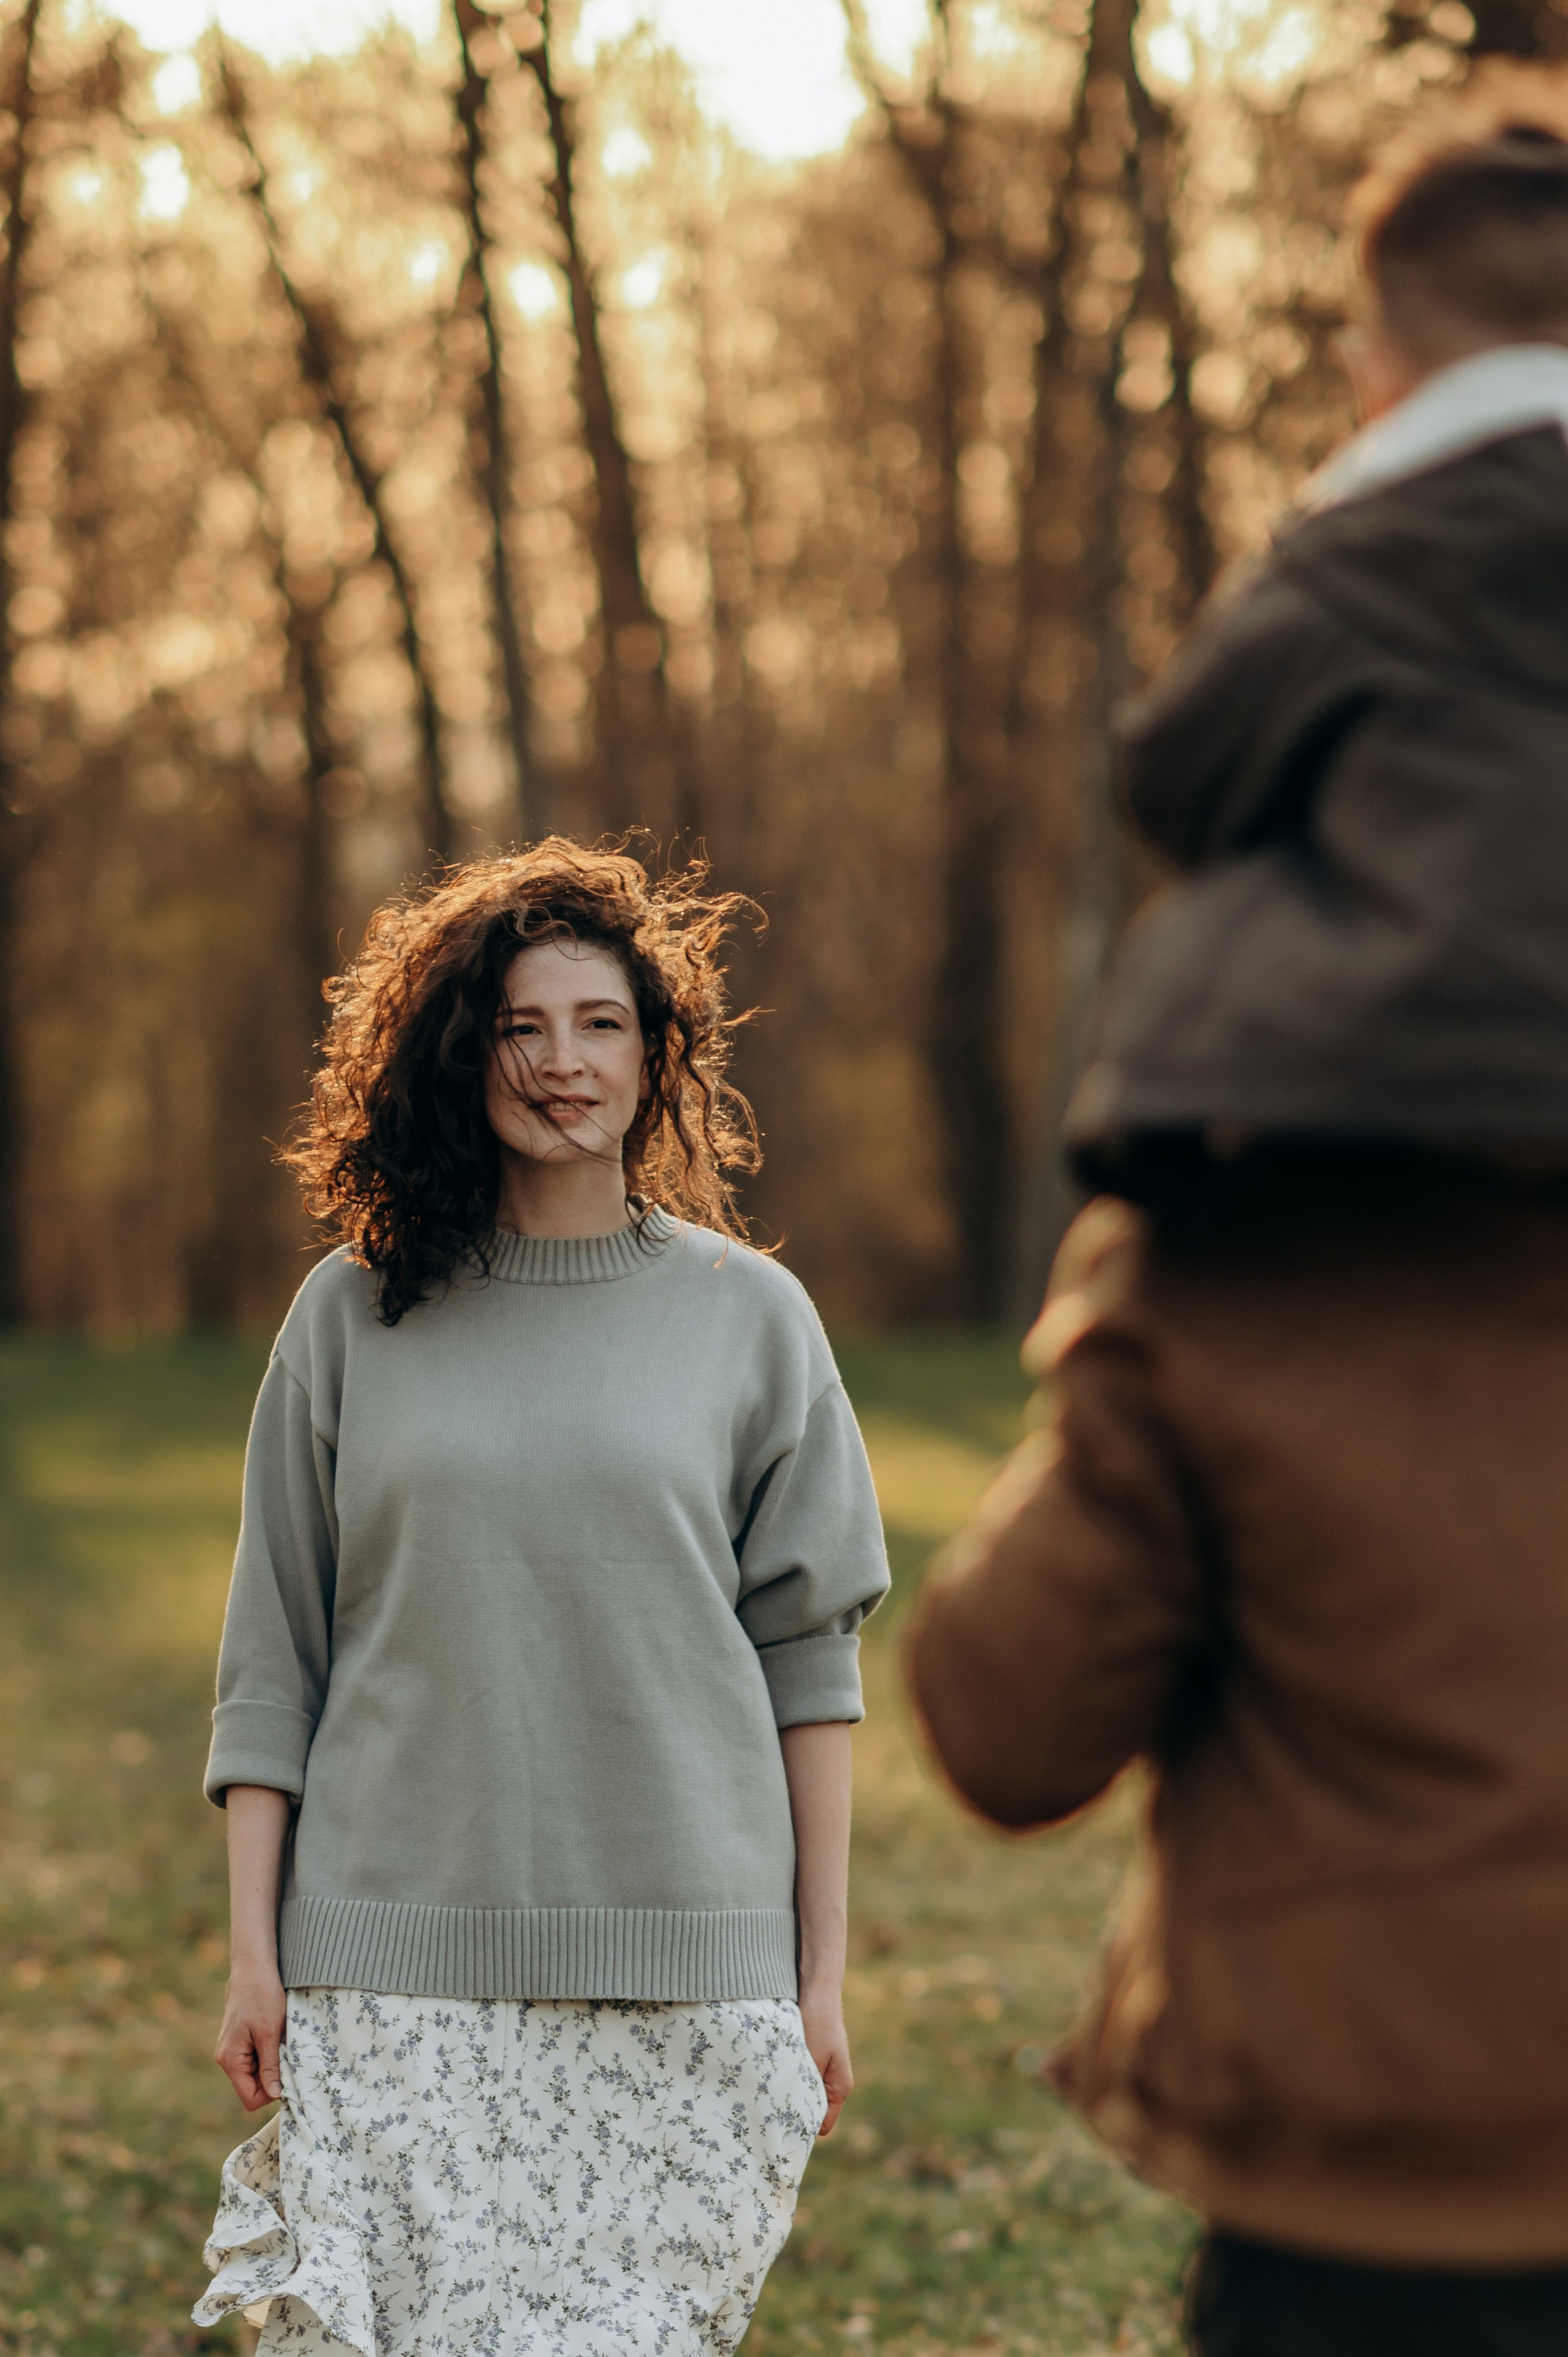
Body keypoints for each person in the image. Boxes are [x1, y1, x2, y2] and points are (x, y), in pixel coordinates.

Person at [907, 67, 1568, 2357]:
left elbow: (1001, 1725)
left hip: (1363, 2222)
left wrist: (1121, 1349)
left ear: (1377, 390)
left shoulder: (1220, 1252)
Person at [192, 840, 889, 2357]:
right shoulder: (352, 1312)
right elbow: (274, 1656)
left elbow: (810, 1666)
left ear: (656, 1058)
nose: (561, 1063)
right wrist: (257, 1948)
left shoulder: (750, 1318)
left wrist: (817, 1978)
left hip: (684, 1984)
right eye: (520, 1025)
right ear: (462, 1052)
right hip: (386, 1974)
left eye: (600, 1024)